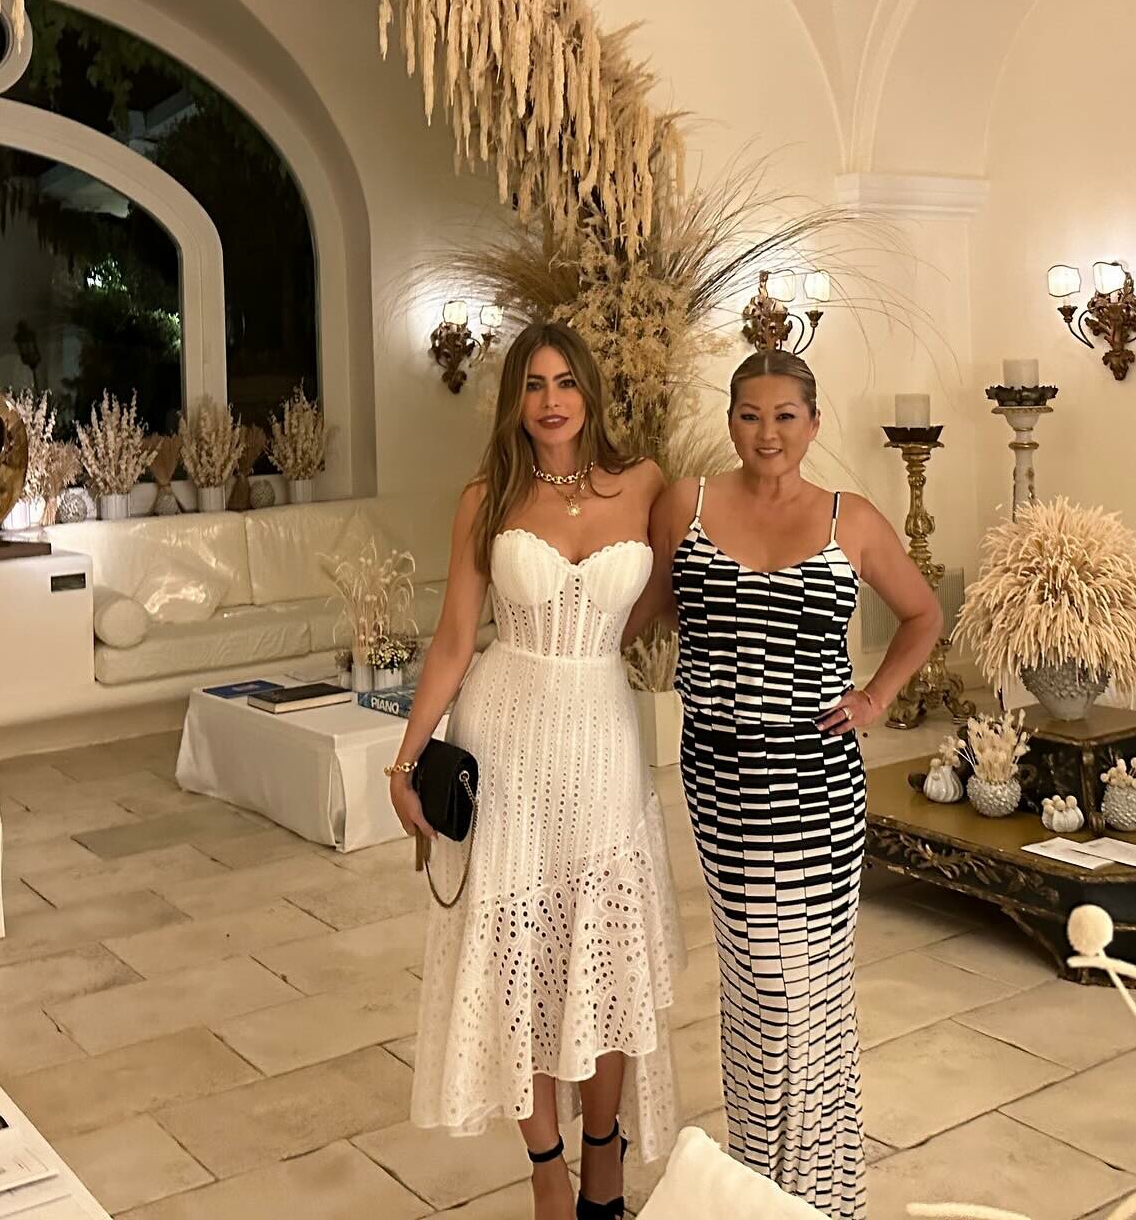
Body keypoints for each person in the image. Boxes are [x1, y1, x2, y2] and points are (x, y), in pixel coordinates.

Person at [639, 349, 942, 1220]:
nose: (766, 433)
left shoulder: (854, 519)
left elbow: (924, 613)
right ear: (730, 421)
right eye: (749, 415)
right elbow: (636, 611)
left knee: (802, 987)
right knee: (754, 983)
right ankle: (758, 1186)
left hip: (817, 780)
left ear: (813, 423)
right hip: (722, 779)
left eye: (783, 416)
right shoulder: (687, 505)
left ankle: (818, 1195)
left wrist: (875, 697)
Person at [389, 322, 682, 1220]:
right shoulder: (486, 499)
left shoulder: (646, 484)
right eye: (532, 385)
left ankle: (604, 1152)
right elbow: (453, 639)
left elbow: (667, 595)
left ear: (589, 391)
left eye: (565, 382)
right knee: (518, 955)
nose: (551, 401)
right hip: (507, 735)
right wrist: (406, 759)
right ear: (514, 401)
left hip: (601, 735)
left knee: (605, 950)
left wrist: (602, 644)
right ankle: (545, 1165)